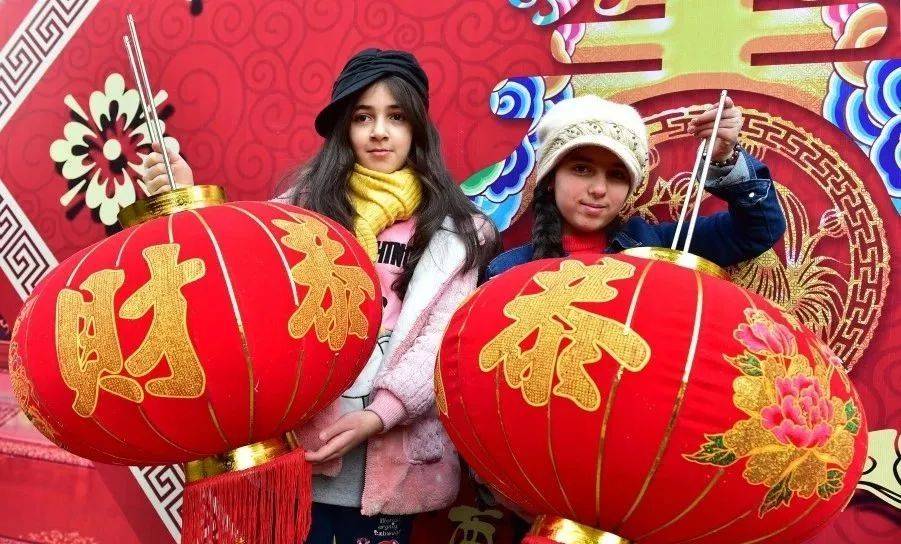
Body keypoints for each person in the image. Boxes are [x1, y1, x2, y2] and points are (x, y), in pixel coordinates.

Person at [142, 48, 499, 544]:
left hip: (392, 456)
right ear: (343, 129)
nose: (379, 132)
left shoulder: (459, 230)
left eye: (396, 117)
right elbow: (232, 267)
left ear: (417, 128)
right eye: (363, 117)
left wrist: (379, 415)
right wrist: (187, 198)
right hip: (302, 449)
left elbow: (440, 342)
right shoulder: (299, 212)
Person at [486, 94, 786, 279]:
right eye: (581, 169)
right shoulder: (507, 272)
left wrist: (724, 157)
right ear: (551, 179)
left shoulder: (662, 247)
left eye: (617, 175)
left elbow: (757, 232)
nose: (599, 189)